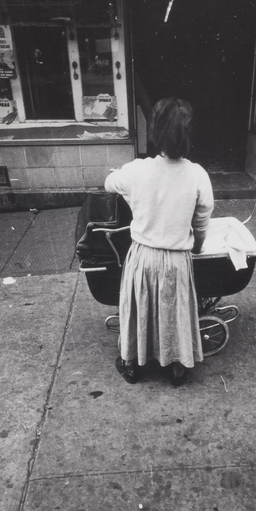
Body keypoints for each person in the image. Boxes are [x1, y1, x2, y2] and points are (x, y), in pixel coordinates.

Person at [104, 97, 214, 386]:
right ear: (188, 134)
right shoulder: (198, 175)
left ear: (155, 132)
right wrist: (197, 248)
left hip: (143, 256)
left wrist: (123, 183)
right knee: (174, 312)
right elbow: (201, 223)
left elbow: (109, 183)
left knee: (139, 309)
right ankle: (177, 369)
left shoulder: (137, 170)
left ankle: (132, 365)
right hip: (177, 259)